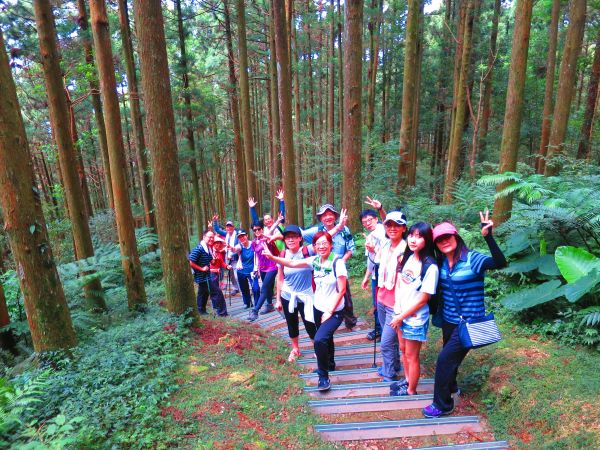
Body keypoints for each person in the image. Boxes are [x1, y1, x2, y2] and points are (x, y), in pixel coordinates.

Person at [422, 211, 507, 418]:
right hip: (449, 320)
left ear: (456, 238)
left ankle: (443, 404)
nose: (444, 242)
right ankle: (452, 387)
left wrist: (488, 237)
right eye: (439, 240)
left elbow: (500, 263)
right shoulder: (440, 263)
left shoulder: (473, 259)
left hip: (469, 323)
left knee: (444, 360)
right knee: (450, 359)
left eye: (447, 237)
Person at [264, 231, 347, 392]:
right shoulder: (314, 260)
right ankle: (330, 364)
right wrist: (273, 258)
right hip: (318, 307)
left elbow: (342, 290)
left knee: (319, 339)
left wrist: (330, 311)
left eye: (325, 243)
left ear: (331, 245)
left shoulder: (337, 262)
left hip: (334, 310)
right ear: (314, 247)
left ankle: (323, 377)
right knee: (326, 338)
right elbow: (292, 264)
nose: (321, 246)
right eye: (318, 244)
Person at [389, 222, 439, 396]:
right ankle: (408, 380)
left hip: (415, 319)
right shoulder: (409, 256)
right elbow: (401, 286)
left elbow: (423, 299)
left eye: (419, 236)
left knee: (412, 355)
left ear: (427, 240)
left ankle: (411, 390)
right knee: (403, 350)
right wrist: (397, 312)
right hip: (401, 315)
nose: (413, 239)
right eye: (411, 235)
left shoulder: (430, 266)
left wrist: (400, 316)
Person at [302, 204, 357, 329]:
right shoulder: (317, 231)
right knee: (324, 293)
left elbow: (351, 248)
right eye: (324, 215)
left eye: (330, 214)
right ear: (320, 218)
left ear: (335, 216)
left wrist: (341, 262)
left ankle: (349, 320)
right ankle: (326, 318)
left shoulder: (345, 230)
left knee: (345, 294)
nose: (328, 217)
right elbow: (301, 234)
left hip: (339, 266)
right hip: (322, 267)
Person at [274, 224, 317, 363]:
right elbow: (280, 278)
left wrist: (338, 226)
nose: (290, 240)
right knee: (291, 322)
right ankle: (295, 348)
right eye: (287, 237)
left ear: (300, 238)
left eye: (293, 237)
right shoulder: (282, 255)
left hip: (306, 295)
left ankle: (316, 347)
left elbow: (324, 244)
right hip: (288, 295)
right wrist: (278, 299)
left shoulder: (308, 251)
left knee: (310, 322)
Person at [375, 211, 408, 381]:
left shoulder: (407, 249)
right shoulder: (385, 246)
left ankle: (389, 372)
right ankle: (395, 364)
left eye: (397, 225)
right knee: (391, 338)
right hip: (382, 298)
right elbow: (379, 267)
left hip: (396, 304)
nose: (392, 228)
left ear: (404, 228)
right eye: (389, 225)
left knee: (386, 342)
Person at [360, 197, 388, 341]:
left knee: (385, 303)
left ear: (376, 219)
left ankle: (387, 332)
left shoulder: (384, 230)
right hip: (375, 275)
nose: (367, 223)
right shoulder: (370, 236)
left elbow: (388, 221)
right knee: (376, 303)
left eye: (369, 220)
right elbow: (370, 259)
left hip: (387, 274)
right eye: (364, 222)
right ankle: (379, 329)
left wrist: (380, 207)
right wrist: (366, 276)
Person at [246, 221, 280, 321]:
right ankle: (269, 305)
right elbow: (256, 255)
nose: (257, 231)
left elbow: (272, 230)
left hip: (272, 266)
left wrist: (278, 220)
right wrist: (256, 267)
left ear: (262, 229)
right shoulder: (253, 243)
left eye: (259, 229)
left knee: (264, 288)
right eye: (255, 230)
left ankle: (255, 311)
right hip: (262, 268)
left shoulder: (267, 239)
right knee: (268, 287)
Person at [189, 230, 220, 315]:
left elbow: (210, 261)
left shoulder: (208, 248)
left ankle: (202, 310)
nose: (211, 239)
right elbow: (191, 262)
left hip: (206, 275)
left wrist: (214, 260)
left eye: (212, 237)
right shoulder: (199, 249)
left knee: (203, 293)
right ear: (204, 237)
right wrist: (201, 268)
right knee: (212, 291)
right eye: (209, 237)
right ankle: (217, 310)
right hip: (201, 275)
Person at [229, 230, 260, 310]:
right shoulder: (240, 246)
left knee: (256, 288)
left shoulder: (253, 244)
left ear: (247, 235)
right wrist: (232, 248)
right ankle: (247, 303)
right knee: (244, 288)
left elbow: (258, 256)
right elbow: (235, 249)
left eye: (243, 236)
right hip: (241, 270)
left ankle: (257, 305)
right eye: (239, 237)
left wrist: (258, 268)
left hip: (252, 271)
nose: (242, 238)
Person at [212, 216, 240, 296]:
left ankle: (242, 289)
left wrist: (232, 254)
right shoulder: (226, 234)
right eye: (227, 227)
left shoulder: (237, 235)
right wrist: (215, 221)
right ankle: (236, 288)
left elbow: (238, 247)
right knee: (231, 275)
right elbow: (217, 230)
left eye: (230, 226)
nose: (229, 228)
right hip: (228, 259)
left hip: (236, 258)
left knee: (237, 275)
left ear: (233, 227)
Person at [207, 236, 231, 316]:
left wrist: (227, 266)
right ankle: (222, 312)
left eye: (219, 244)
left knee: (215, 292)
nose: (218, 245)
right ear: (213, 244)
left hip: (216, 275)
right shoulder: (209, 251)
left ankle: (218, 311)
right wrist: (210, 228)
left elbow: (222, 263)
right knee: (217, 292)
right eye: (216, 243)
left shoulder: (219, 253)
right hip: (210, 275)